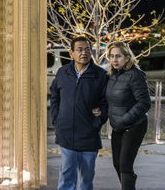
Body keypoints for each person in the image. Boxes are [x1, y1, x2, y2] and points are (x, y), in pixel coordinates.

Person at [50, 36, 108, 190]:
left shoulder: (100, 75)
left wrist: (97, 121)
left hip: (89, 135)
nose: (84, 53)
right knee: (66, 177)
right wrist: (57, 119)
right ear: (72, 53)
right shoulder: (63, 72)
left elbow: (106, 103)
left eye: (87, 49)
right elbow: (54, 96)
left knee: (86, 179)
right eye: (80, 49)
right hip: (67, 134)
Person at [106, 42, 151, 190]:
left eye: (118, 56)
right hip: (117, 127)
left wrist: (124, 120)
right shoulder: (112, 75)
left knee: (125, 164)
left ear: (127, 57)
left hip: (134, 126)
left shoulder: (135, 75)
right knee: (117, 164)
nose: (114, 59)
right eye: (112, 56)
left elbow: (144, 103)